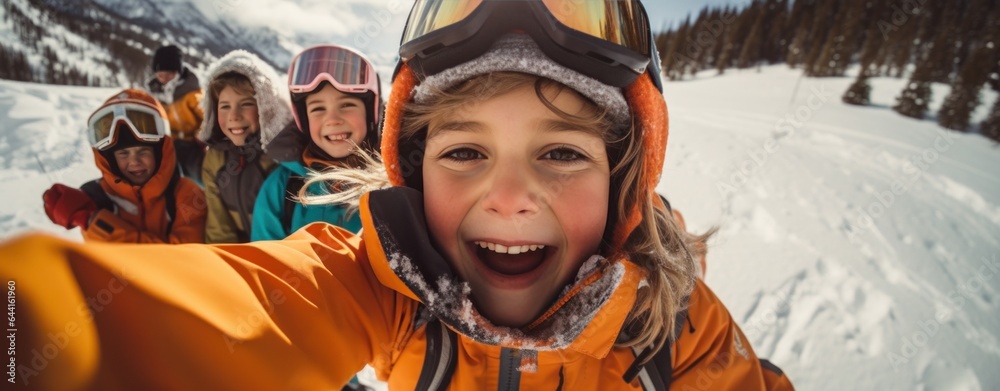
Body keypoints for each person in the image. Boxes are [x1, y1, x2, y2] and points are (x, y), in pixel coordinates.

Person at [3, 1, 793, 389]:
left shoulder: (675, 332)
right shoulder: (387, 290)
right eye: (464, 151)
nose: (510, 195)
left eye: (560, 151)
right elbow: (254, 299)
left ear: (624, 181)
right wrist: (29, 327)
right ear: (411, 176)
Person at [250, 45, 381, 240]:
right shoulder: (282, 188)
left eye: (346, 105)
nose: (333, 119)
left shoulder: (391, 183)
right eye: (318, 109)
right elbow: (262, 262)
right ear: (304, 120)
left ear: (370, 114)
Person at [41, 88, 206, 244]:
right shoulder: (97, 197)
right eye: (123, 154)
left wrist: (94, 223)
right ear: (109, 159)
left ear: (161, 151)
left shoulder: (187, 196)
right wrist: (69, 210)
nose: (134, 161)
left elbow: (183, 260)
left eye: (143, 151)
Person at [198, 50, 289, 243]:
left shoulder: (281, 160)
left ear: (267, 107)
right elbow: (218, 225)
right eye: (224, 106)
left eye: (246, 104)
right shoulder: (215, 159)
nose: (234, 116)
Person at [147, 44, 206, 185]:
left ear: (178, 72)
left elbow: (206, 116)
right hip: (169, 144)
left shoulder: (191, 93)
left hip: (192, 144)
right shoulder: (155, 93)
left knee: (201, 172)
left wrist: (202, 134)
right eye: (160, 75)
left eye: (169, 74)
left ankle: (207, 192)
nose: (164, 78)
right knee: (162, 174)